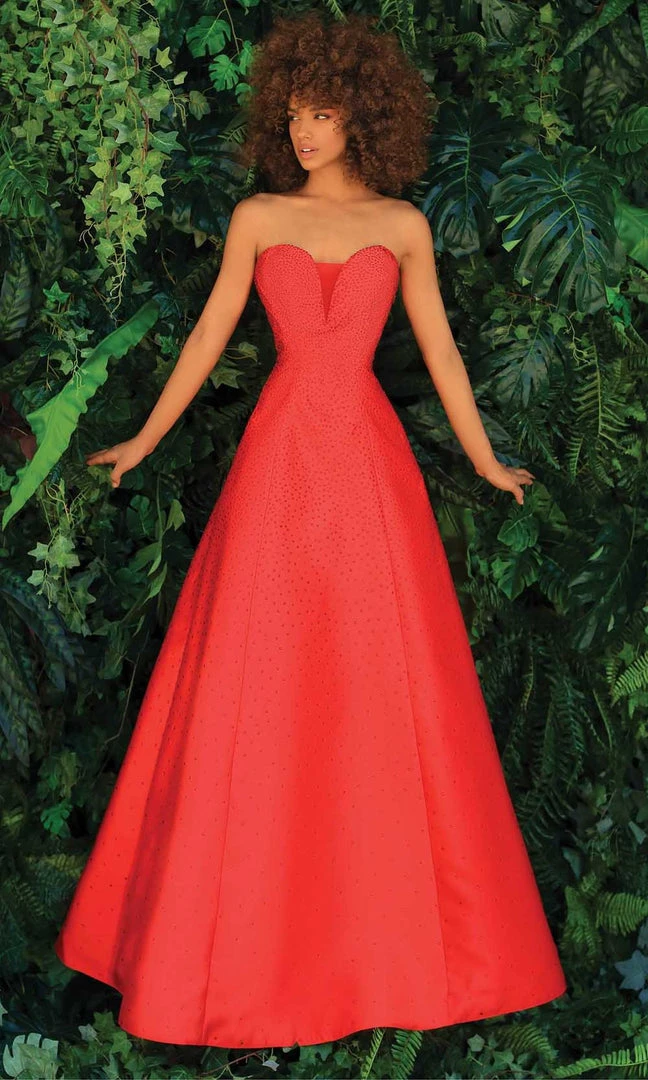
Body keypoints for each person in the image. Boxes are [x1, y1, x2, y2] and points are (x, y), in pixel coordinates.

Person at [55, 10, 567, 1050]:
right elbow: (210, 333)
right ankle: (238, 955)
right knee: (259, 676)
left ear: (363, 116)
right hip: (281, 460)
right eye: (293, 113)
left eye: (322, 114)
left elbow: (442, 352)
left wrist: (483, 458)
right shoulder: (258, 216)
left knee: (374, 683)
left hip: (368, 468)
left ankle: (377, 954)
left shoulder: (403, 225)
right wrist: (146, 438)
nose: (303, 130)